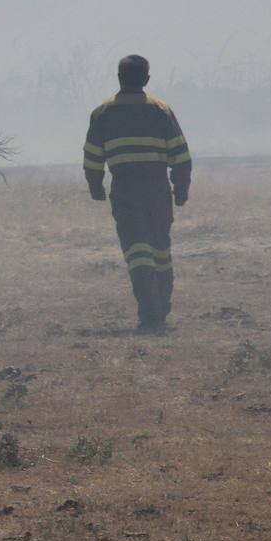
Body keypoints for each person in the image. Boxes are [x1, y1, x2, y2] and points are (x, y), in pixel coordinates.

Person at [83, 55, 191, 333]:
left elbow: (92, 157)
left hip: (125, 189)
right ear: (146, 79)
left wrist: (96, 188)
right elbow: (181, 154)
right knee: (160, 250)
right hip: (157, 190)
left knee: (137, 252)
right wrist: (181, 189)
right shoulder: (160, 110)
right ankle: (161, 309)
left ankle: (150, 313)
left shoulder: (102, 113)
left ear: (119, 78)